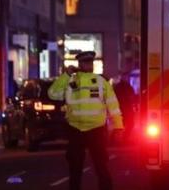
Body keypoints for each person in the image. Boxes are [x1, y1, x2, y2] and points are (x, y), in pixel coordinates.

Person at [48, 51, 124, 190]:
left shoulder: (101, 82)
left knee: (101, 166)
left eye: (90, 62)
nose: (88, 65)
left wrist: (118, 127)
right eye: (85, 62)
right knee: (75, 168)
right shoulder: (70, 80)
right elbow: (53, 94)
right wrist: (66, 75)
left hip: (96, 130)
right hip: (75, 129)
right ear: (80, 64)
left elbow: (113, 105)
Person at [113, 73, 135, 143]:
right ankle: (120, 139)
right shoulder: (123, 86)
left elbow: (132, 95)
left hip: (124, 108)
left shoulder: (119, 86)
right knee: (127, 124)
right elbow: (132, 95)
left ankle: (116, 139)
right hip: (125, 108)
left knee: (125, 124)